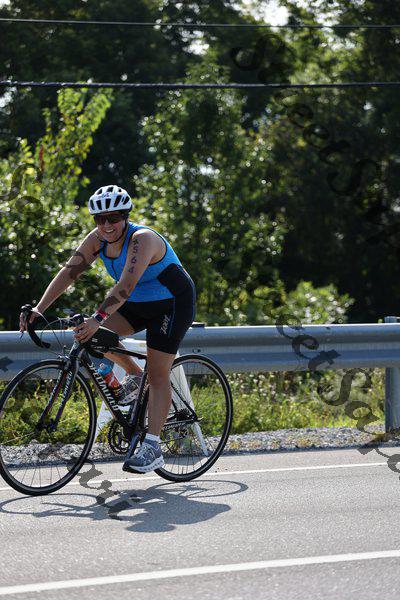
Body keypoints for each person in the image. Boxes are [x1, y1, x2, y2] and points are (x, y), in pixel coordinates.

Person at [19, 185, 196, 474]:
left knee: (157, 373)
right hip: (136, 303)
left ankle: (153, 447)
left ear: (125, 216)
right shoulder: (97, 239)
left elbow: (125, 285)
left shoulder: (142, 239)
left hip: (172, 305)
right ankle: (136, 377)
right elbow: (69, 272)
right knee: (94, 338)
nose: (106, 225)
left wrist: (97, 317)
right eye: (99, 219)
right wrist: (39, 308)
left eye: (113, 218)